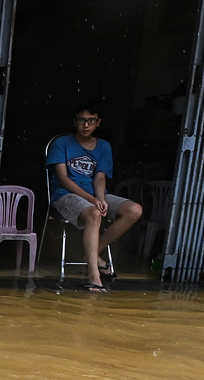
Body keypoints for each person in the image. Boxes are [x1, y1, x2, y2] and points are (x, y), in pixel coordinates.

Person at [46, 102, 142, 293]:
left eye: (91, 120)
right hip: (66, 195)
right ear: (75, 121)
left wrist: (101, 199)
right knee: (95, 214)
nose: (86, 125)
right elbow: (63, 179)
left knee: (134, 210)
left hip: (94, 196)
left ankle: (92, 253)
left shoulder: (104, 146)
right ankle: (94, 277)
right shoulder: (62, 143)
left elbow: (99, 177)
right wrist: (92, 201)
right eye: (82, 120)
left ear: (98, 122)